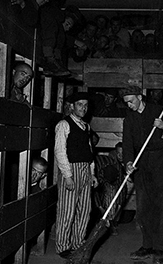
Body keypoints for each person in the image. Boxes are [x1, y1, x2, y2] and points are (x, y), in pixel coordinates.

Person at [121, 85, 163, 264]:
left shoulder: (158, 111)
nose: (129, 105)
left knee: (162, 205)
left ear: (140, 97)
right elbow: (127, 143)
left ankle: (160, 249)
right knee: (144, 206)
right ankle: (147, 245)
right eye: (126, 103)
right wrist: (128, 162)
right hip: (141, 164)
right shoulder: (129, 118)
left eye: (131, 101)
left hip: (160, 161)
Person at [54, 92, 98, 259]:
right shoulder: (64, 124)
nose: (83, 108)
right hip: (71, 170)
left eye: (85, 105)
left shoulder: (86, 126)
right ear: (72, 106)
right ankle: (63, 246)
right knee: (67, 210)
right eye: (80, 104)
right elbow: (60, 151)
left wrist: (92, 173)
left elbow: (89, 151)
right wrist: (67, 175)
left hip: (85, 170)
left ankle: (78, 242)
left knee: (84, 210)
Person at [94, 142, 127, 236]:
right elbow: (95, 193)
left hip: (111, 187)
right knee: (107, 192)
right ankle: (102, 222)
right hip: (100, 186)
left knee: (113, 192)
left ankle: (112, 223)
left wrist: (117, 210)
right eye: (118, 153)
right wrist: (101, 209)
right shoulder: (99, 172)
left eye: (123, 154)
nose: (120, 156)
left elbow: (122, 189)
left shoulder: (118, 169)